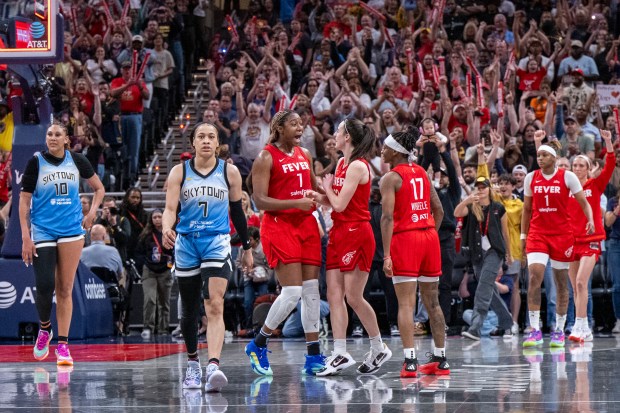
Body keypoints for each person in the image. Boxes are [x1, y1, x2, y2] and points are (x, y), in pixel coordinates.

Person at [162, 122, 253, 392]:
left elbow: (238, 212)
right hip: (187, 242)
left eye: (211, 136)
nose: (205, 140)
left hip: (216, 241)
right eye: (200, 136)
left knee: (215, 304)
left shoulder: (229, 171)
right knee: (189, 311)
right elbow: (169, 208)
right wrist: (167, 228)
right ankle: (192, 365)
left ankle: (213, 365)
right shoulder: (180, 172)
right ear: (193, 142)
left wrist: (247, 247)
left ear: (217, 143)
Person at [245, 109, 326, 377]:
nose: (300, 128)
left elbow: (314, 190)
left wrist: (336, 193)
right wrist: (296, 202)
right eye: (293, 124)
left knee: (312, 292)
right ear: (279, 128)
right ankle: (259, 343)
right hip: (279, 226)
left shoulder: (305, 154)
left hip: (307, 226)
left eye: (301, 123)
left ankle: (313, 355)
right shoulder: (265, 156)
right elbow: (260, 201)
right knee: (292, 292)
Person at [20, 122, 105, 366]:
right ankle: (45, 329)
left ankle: (64, 345)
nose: (52, 137)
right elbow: (24, 202)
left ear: (66, 139)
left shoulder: (77, 160)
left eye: (58, 134)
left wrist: (92, 214)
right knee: (45, 285)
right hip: (43, 230)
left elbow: (99, 189)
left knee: (65, 288)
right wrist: (26, 236)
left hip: (71, 230)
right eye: (49, 134)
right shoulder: (36, 162)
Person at [312, 118, 392, 376]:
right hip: (338, 232)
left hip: (357, 233)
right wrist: (318, 196)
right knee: (334, 295)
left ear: (347, 137)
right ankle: (340, 352)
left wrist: (325, 188)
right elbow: (333, 201)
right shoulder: (342, 163)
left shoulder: (358, 166)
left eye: (337, 130)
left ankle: (379, 346)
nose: (334, 134)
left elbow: (340, 205)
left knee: (353, 297)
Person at [379, 128, 449, 378]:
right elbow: (438, 209)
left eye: (385, 148)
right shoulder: (421, 172)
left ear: (397, 151)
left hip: (405, 239)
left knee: (406, 304)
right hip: (429, 237)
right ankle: (441, 359)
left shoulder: (390, 178)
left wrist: (386, 255)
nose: (382, 151)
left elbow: (387, 218)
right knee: (433, 302)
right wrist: (428, 233)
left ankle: (410, 362)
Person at [521, 137, 595, 348]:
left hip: (562, 235)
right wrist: (523, 236)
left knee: (561, 282)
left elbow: (584, 202)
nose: (540, 159)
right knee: (535, 275)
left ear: (554, 158)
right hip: (538, 233)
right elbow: (527, 209)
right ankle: (534, 330)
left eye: (544, 155)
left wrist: (590, 219)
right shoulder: (530, 178)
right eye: (539, 156)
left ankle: (559, 330)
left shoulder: (567, 177)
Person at [567, 130, 615, 342]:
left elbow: (610, 165)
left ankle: (579, 326)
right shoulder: (565, 187)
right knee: (576, 288)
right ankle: (584, 327)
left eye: (581, 165)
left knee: (580, 282)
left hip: (591, 240)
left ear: (588, 169)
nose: (577, 168)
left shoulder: (595, 185)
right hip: (570, 242)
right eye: (574, 165)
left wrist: (607, 142)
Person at [455, 176, 514, 341]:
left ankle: (475, 328)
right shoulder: (472, 207)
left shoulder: (498, 208)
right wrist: (467, 199)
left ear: (489, 189)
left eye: (483, 187)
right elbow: (456, 213)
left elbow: (505, 233)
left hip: (495, 252)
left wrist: (508, 253)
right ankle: (506, 320)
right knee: (487, 288)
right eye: (478, 187)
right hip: (477, 252)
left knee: (482, 290)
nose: (480, 190)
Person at [137, 209, 174, 339]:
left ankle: (163, 328)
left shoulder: (169, 233)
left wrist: (171, 263)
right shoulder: (146, 235)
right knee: (150, 299)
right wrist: (144, 263)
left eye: (159, 217)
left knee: (164, 302)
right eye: (155, 217)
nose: (157, 219)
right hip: (149, 270)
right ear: (151, 220)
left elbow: (174, 250)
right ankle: (148, 327)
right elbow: (139, 252)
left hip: (165, 270)